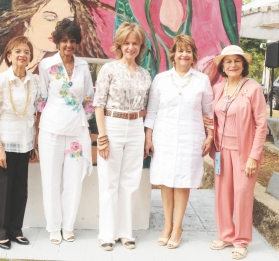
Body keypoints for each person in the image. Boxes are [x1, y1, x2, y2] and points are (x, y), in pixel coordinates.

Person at [144, 35, 213, 249]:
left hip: (191, 138)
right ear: (173, 54)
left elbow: (208, 112)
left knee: (183, 182)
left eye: (188, 51)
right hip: (163, 137)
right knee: (166, 181)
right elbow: (153, 111)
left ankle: (178, 227)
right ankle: (167, 225)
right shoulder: (161, 79)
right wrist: (148, 136)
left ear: (193, 56)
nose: (184, 54)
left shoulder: (202, 80)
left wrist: (210, 136)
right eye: (180, 50)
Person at [0, 0, 114, 79]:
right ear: (27, 20)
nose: (58, 29)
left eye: (66, 22)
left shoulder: (53, 72)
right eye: (50, 17)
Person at [93, 22, 151, 251]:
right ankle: (106, 233)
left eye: (135, 43)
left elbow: (149, 108)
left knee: (130, 181)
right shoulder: (109, 69)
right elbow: (98, 105)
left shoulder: (146, 75)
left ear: (140, 46)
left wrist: (147, 136)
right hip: (113, 124)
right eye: (126, 43)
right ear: (119, 44)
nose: (131, 47)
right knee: (109, 181)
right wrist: (103, 137)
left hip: (136, 126)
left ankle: (126, 232)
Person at [205, 45, 267, 259]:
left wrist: (253, 156)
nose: (232, 65)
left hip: (245, 153)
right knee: (223, 195)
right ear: (222, 65)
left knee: (242, 195)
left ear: (244, 64)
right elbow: (213, 119)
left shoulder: (253, 88)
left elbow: (262, 125)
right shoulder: (218, 88)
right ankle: (225, 234)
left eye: (237, 61)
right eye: (228, 61)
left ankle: (241, 241)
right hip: (222, 151)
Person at [36, 18, 94, 245]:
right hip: (50, 129)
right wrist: (36, 131)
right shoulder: (46, 65)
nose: (68, 45)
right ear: (57, 42)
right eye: (64, 41)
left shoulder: (83, 66)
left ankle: (68, 226)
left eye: (72, 41)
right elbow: (41, 99)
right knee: (50, 180)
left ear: (77, 43)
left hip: (76, 132)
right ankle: (53, 227)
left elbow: (89, 99)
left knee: (73, 180)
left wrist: (83, 120)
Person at [0, 36, 39, 250]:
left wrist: (34, 143)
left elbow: (34, 114)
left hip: (25, 144)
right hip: (5, 144)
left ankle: (16, 229)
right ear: (9, 55)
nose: (22, 55)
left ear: (30, 57)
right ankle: (1, 231)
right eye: (17, 51)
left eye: (26, 51)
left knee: (21, 189)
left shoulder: (35, 81)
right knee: (5, 189)